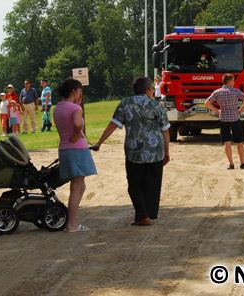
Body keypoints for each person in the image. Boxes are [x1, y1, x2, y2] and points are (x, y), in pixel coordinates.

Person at [92, 77, 171, 226]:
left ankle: (142, 215)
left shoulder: (125, 103)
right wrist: (167, 152)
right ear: (147, 90)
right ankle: (147, 214)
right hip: (156, 152)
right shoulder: (157, 105)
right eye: (152, 89)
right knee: (152, 184)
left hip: (134, 152)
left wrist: (99, 143)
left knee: (134, 185)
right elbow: (165, 131)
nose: (154, 91)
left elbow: (112, 125)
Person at [53, 78, 97, 232]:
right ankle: (72, 224)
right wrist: (77, 133)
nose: (81, 95)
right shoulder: (75, 109)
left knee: (79, 185)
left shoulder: (58, 107)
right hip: (77, 149)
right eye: (80, 91)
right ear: (74, 91)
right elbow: (78, 124)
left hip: (64, 149)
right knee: (77, 187)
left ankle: (72, 222)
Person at [205, 73, 244, 170]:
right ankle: (242, 163)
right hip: (235, 118)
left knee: (227, 142)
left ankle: (231, 164)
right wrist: (241, 108)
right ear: (229, 81)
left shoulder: (217, 92)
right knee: (239, 142)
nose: (234, 83)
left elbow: (207, 103)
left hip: (223, 118)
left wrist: (217, 111)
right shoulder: (235, 91)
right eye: (233, 81)